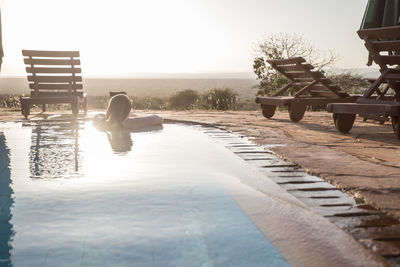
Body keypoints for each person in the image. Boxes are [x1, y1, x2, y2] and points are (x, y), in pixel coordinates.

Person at [93, 94, 163, 131]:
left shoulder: (104, 123)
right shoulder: (129, 123)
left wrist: (107, 116)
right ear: (128, 109)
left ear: (110, 108)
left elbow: (97, 116)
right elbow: (158, 119)